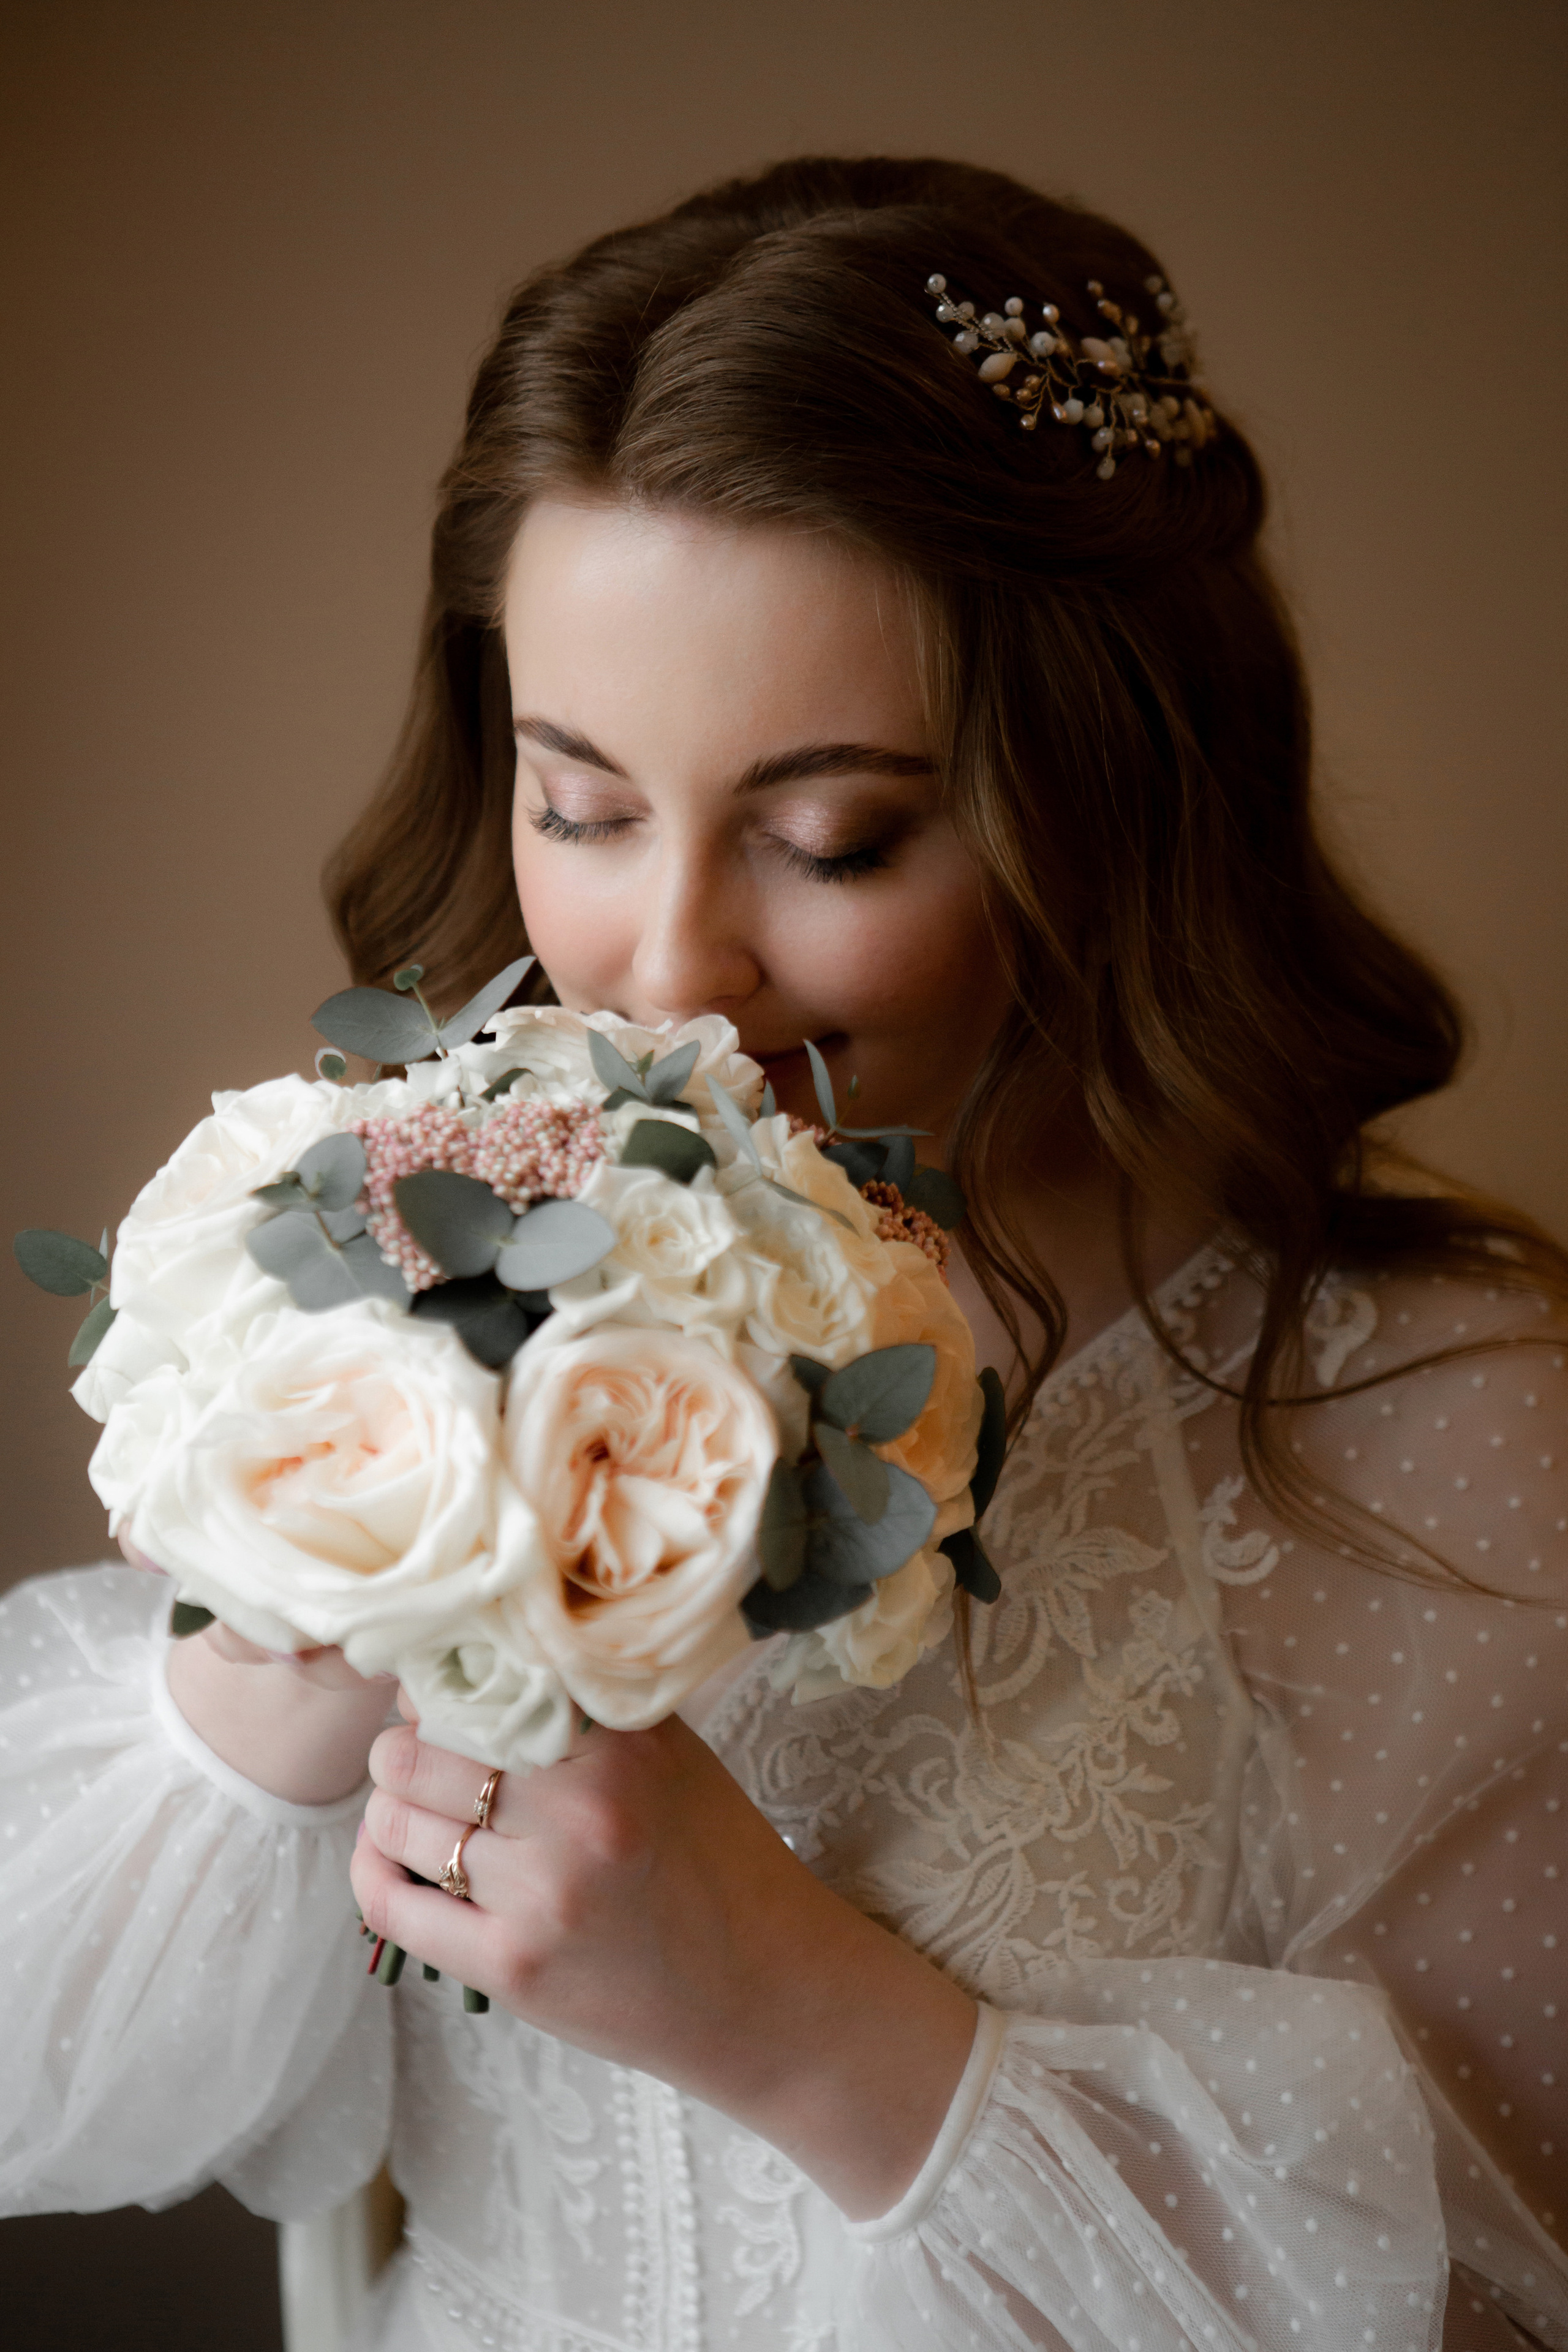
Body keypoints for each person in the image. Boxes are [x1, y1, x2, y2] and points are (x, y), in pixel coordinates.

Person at [1, 154, 1564, 2352]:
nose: (665, 969)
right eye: (581, 804)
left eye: (833, 839)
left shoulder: (1452, 1442)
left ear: (1112, 797)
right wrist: (294, 1641)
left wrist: (800, 2021)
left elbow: (1485, 2297)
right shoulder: (441, 1268)